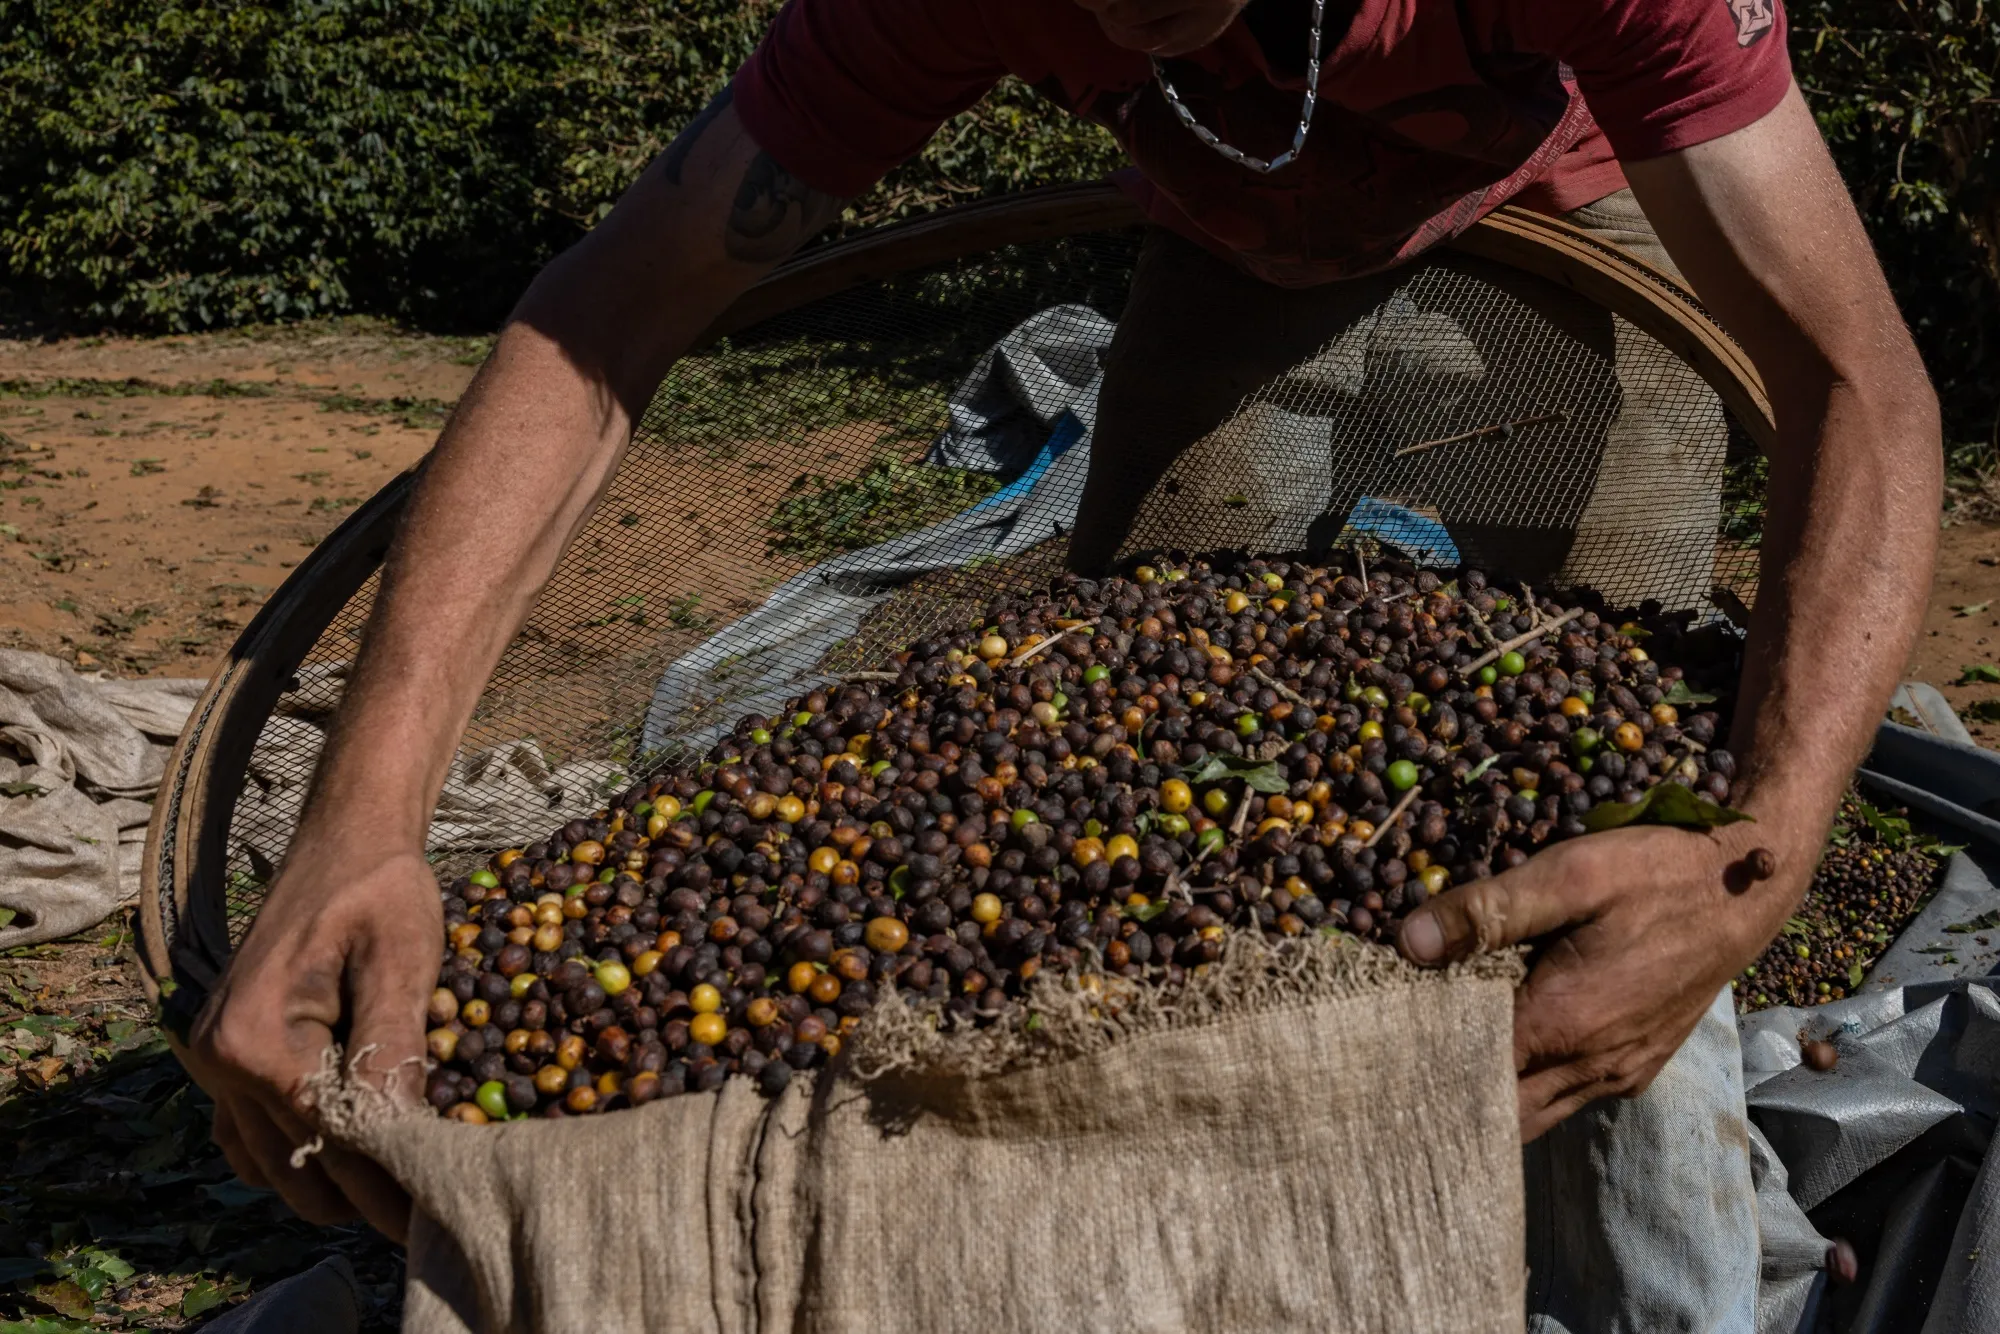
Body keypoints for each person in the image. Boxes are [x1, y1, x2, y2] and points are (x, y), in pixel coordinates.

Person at [181, 0, 1941, 1325]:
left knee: (1614, 854)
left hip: (1596, 209)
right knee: (1143, 815)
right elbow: (605, 313)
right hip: (1237, 241)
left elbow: (1861, 384)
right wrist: (366, 810)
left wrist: (1748, 861)